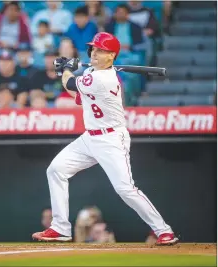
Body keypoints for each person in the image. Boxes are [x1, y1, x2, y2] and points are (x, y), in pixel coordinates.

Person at [32, 32, 179, 246]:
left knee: (125, 189)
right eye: (94, 49)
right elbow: (79, 96)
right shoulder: (94, 72)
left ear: (112, 56)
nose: (94, 53)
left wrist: (64, 68)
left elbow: (71, 85)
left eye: (101, 50)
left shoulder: (103, 78)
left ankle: (163, 230)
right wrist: (71, 69)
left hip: (111, 139)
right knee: (56, 170)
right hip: (89, 138)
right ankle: (60, 227)